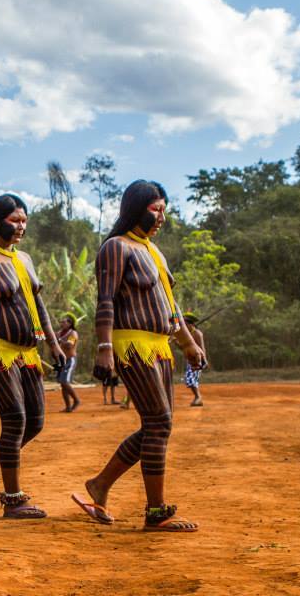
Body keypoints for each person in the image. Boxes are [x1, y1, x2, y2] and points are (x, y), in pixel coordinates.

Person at [72, 180, 204, 533]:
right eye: (154, 209)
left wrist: (188, 344)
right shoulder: (116, 248)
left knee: (157, 426)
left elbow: (171, 308)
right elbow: (105, 300)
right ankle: (156, 511)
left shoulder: (153, 252)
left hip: (161, 347)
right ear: (135, 208)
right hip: (131, 345)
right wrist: (104, 349)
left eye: (164, 209)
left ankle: (100, 485)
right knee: (159, 423)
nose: (161, 217)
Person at [0, 194, 65, 519]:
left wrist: (54, 343)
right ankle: (13, 498)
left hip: (28, 352)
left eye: (23, 221)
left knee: (35, 422)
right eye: (14, 220)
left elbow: (39, 305)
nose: (20, 227)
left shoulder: (25, 259)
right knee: (15, 418)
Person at [181, 312, 207, 407]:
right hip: (191, 361)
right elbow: (183, 348)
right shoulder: (189, 335)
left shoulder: (197, 334)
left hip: (197, 360)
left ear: (190, 324)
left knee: (191, 380)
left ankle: (198, 397)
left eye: (185, 324)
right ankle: (198, 398)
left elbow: (202, 348)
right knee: (190, 380)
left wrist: (203, 361)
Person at [56, 315, 81, 412]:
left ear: (70, 324)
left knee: (64, 382)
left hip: (70, 360)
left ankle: (76, 400)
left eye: (64, 322)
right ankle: (68, 407)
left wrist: (59, 340)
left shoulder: (73, 333)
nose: (61, 323)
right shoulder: (59, 333)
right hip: (61, 361)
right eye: (61, 322)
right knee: (62, 384)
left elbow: (70, 345)